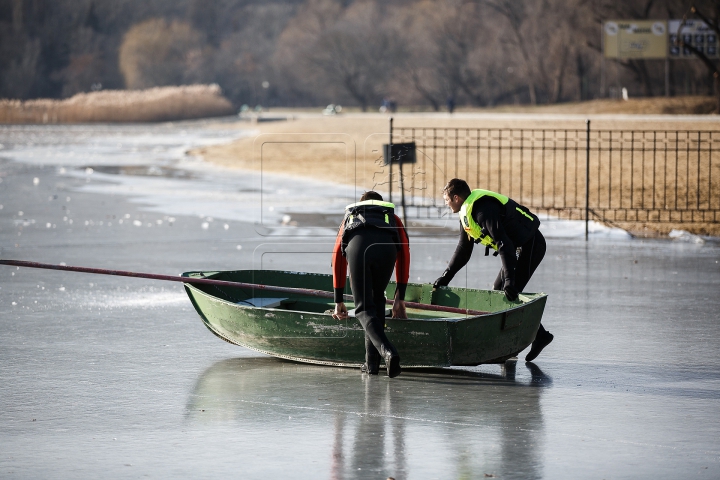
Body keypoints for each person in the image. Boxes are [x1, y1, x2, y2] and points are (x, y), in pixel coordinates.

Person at [434, 178, 553, 362]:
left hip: (531, 246)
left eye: (446, 200)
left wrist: (509, 281)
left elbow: (503, 244)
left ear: (456, 197)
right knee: (499, 294)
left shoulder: (483, 210)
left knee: (509, 294)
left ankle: (521, 344)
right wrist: (445, 277)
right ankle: (538, 336)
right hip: (515, 250)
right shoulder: (466, 212)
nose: (446, 204)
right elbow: (463, 251)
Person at [332, 191, 410, 377]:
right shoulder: (393, 219)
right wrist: (400, 296)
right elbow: (405, 255)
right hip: (386, 251)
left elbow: (338, 258)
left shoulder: (349, 220)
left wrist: (338, 298)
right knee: (376, 302)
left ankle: (388, 352)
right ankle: (371, 365)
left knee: (363, 309)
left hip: (359, 248)